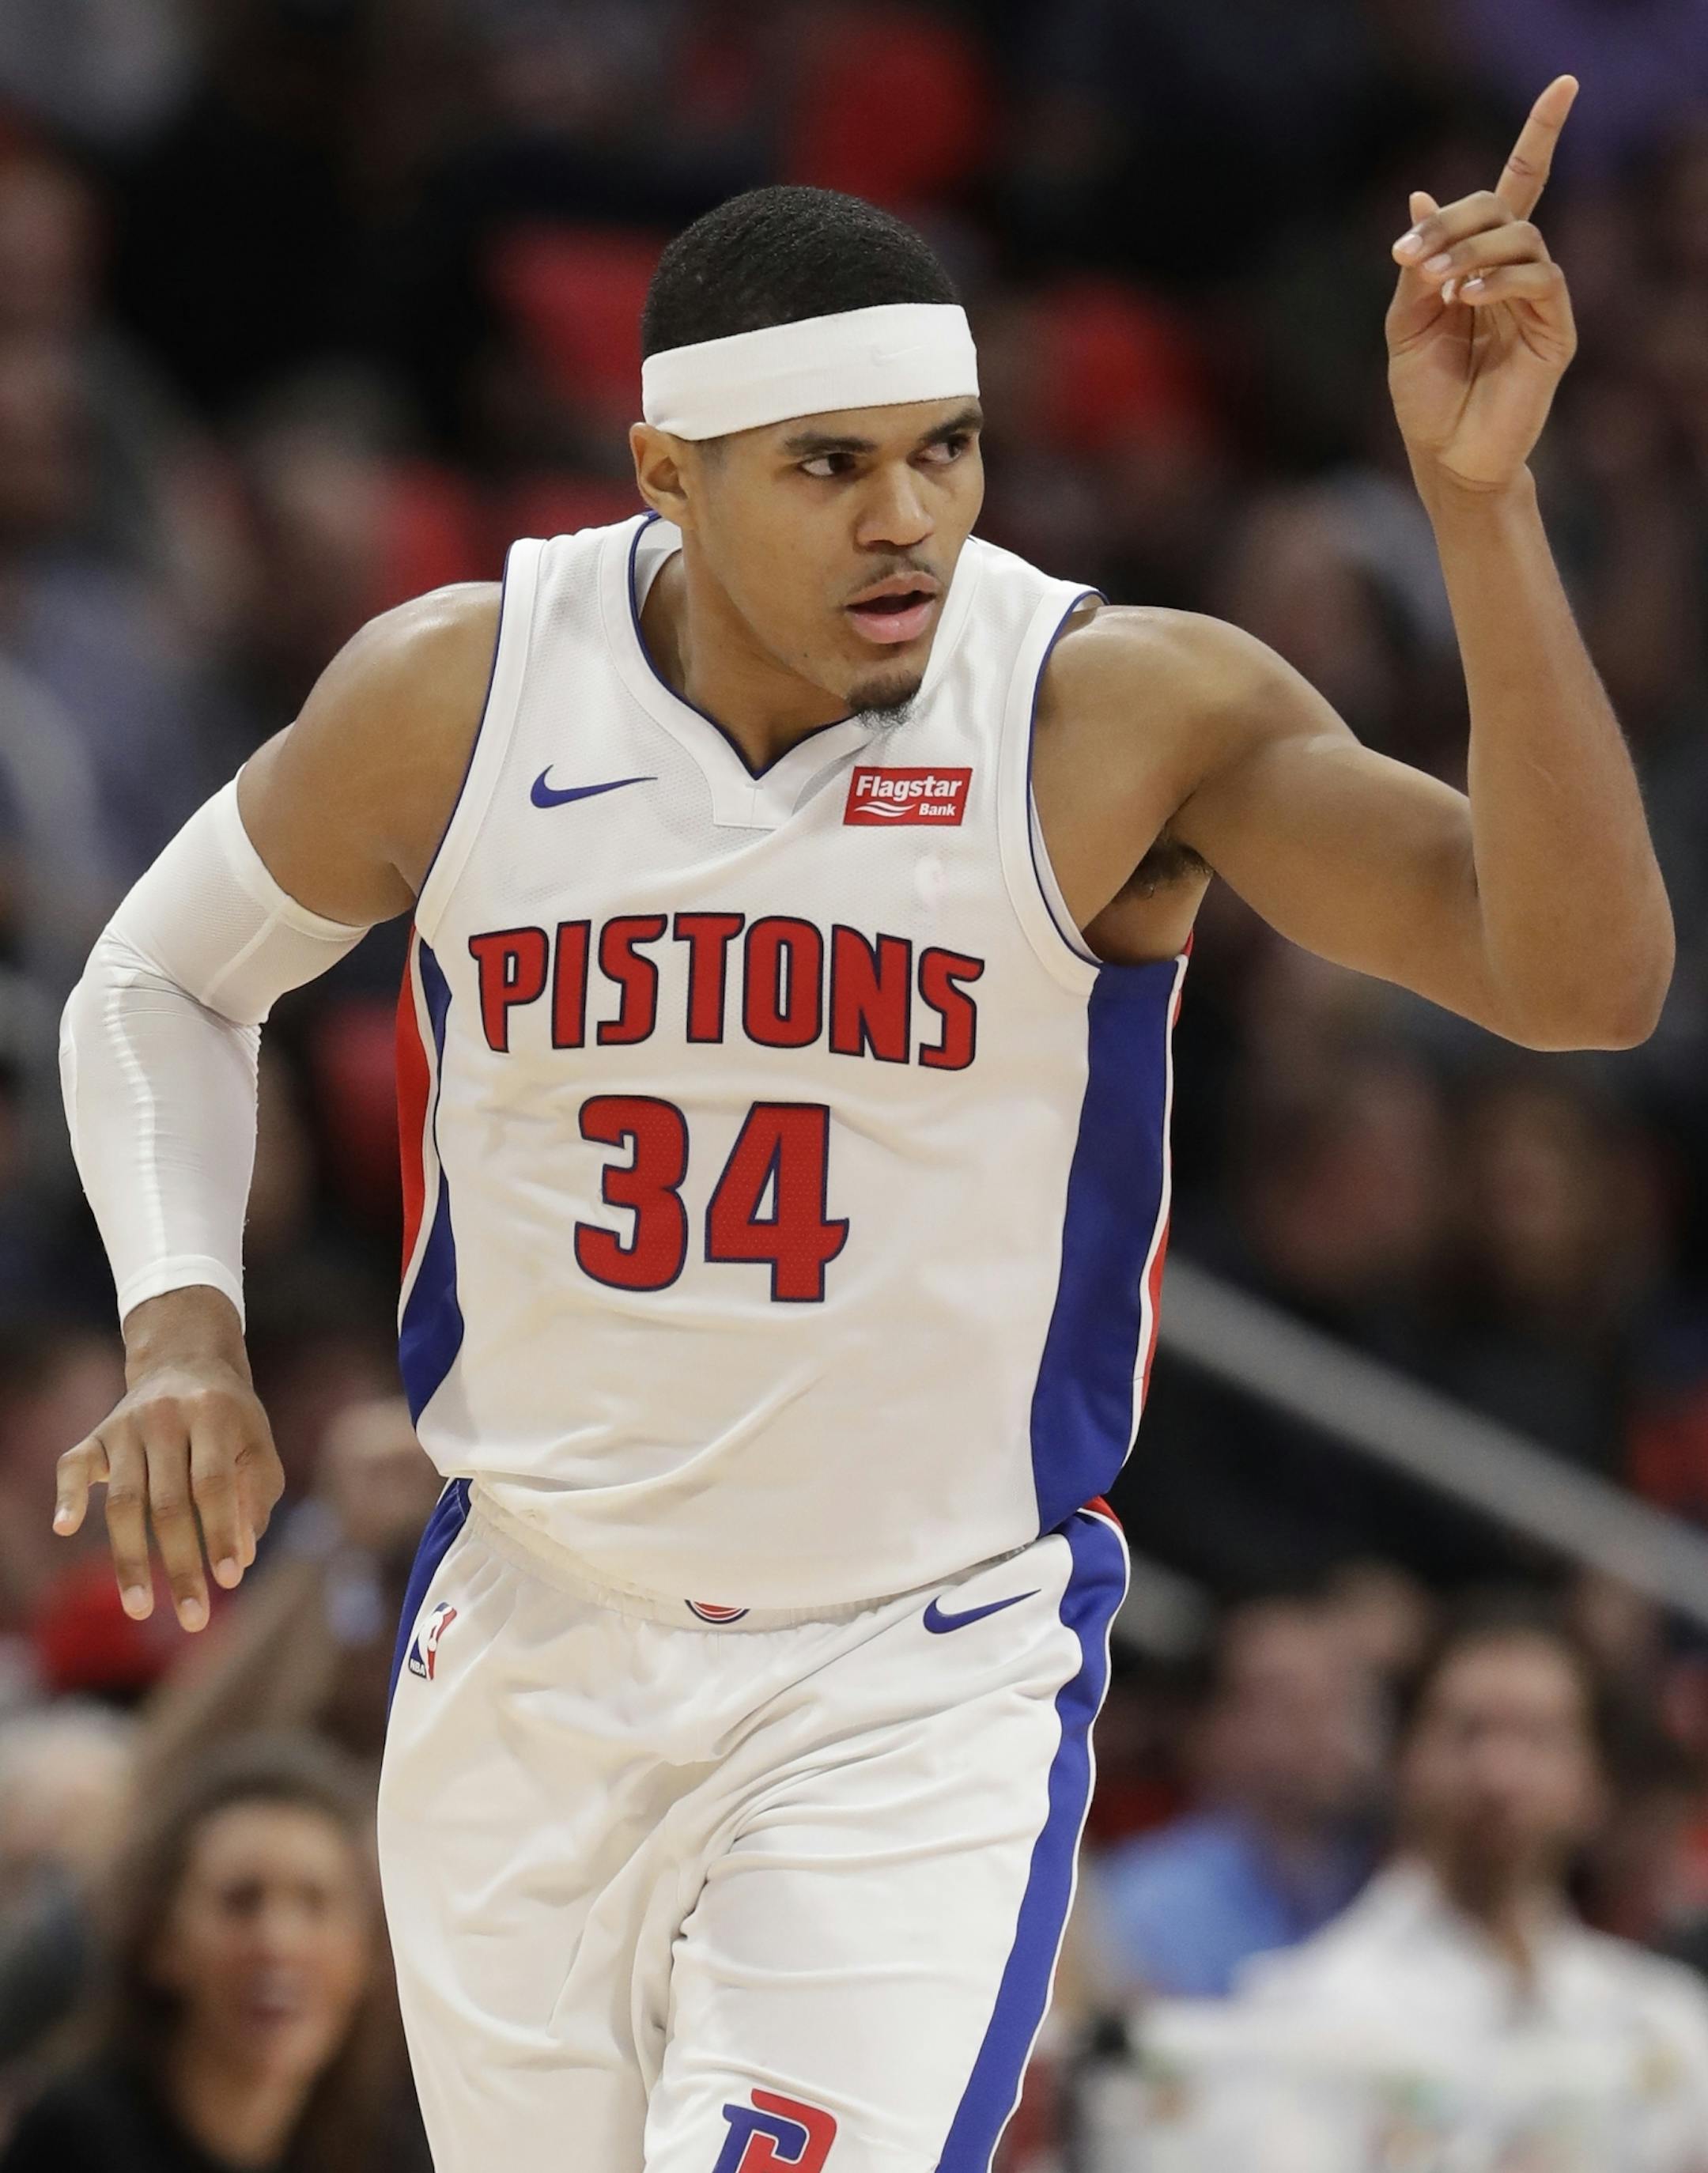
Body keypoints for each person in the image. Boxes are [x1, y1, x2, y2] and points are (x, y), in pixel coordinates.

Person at [50, 74, 1673, 2173]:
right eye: (831, 466)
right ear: (667, 472)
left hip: (909, 1682)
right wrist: (183, 1323)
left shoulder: (1110, 714)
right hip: (532, 1635)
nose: (908, 516)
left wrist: (1485, 510)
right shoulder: (463, 691)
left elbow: (1580, 980)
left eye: (944, 453)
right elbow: (156, 975)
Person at [1231, 1599, 1708, 2172]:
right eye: (1468, 1732)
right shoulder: (1300, 2011)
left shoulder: (1665, 2026)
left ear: (1594, 1781)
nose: (1498, 1776)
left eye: (1538, 1737)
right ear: (1405, 1759)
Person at [0, 1734, 410, 2173]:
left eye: (316, 1903)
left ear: (369, 1954)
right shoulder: (74, 2141)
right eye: (241, 1900)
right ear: (163, 1943)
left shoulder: (405, 2145)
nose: (278, 1943)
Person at [1093, 1598, 1383, 1998]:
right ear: (1209, 1731)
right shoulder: (1142, 1905)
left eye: (1345, 1697)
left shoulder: (1387, 1881)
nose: (1327, 1728)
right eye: (1288, 1704)